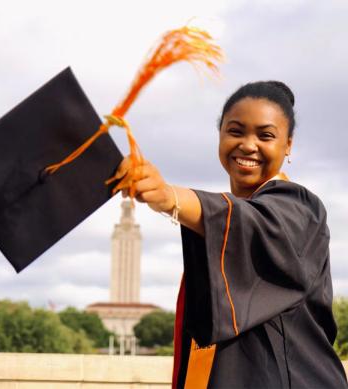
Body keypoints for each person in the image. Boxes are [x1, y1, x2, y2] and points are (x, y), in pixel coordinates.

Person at [122, 81, 348, 388]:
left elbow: (249, 222)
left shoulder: (300, 209)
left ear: (288, 145)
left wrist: (166, 196)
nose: (248, 145)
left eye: (265, 135)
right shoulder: (220, 224)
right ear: (220, 136)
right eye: (236, 131)